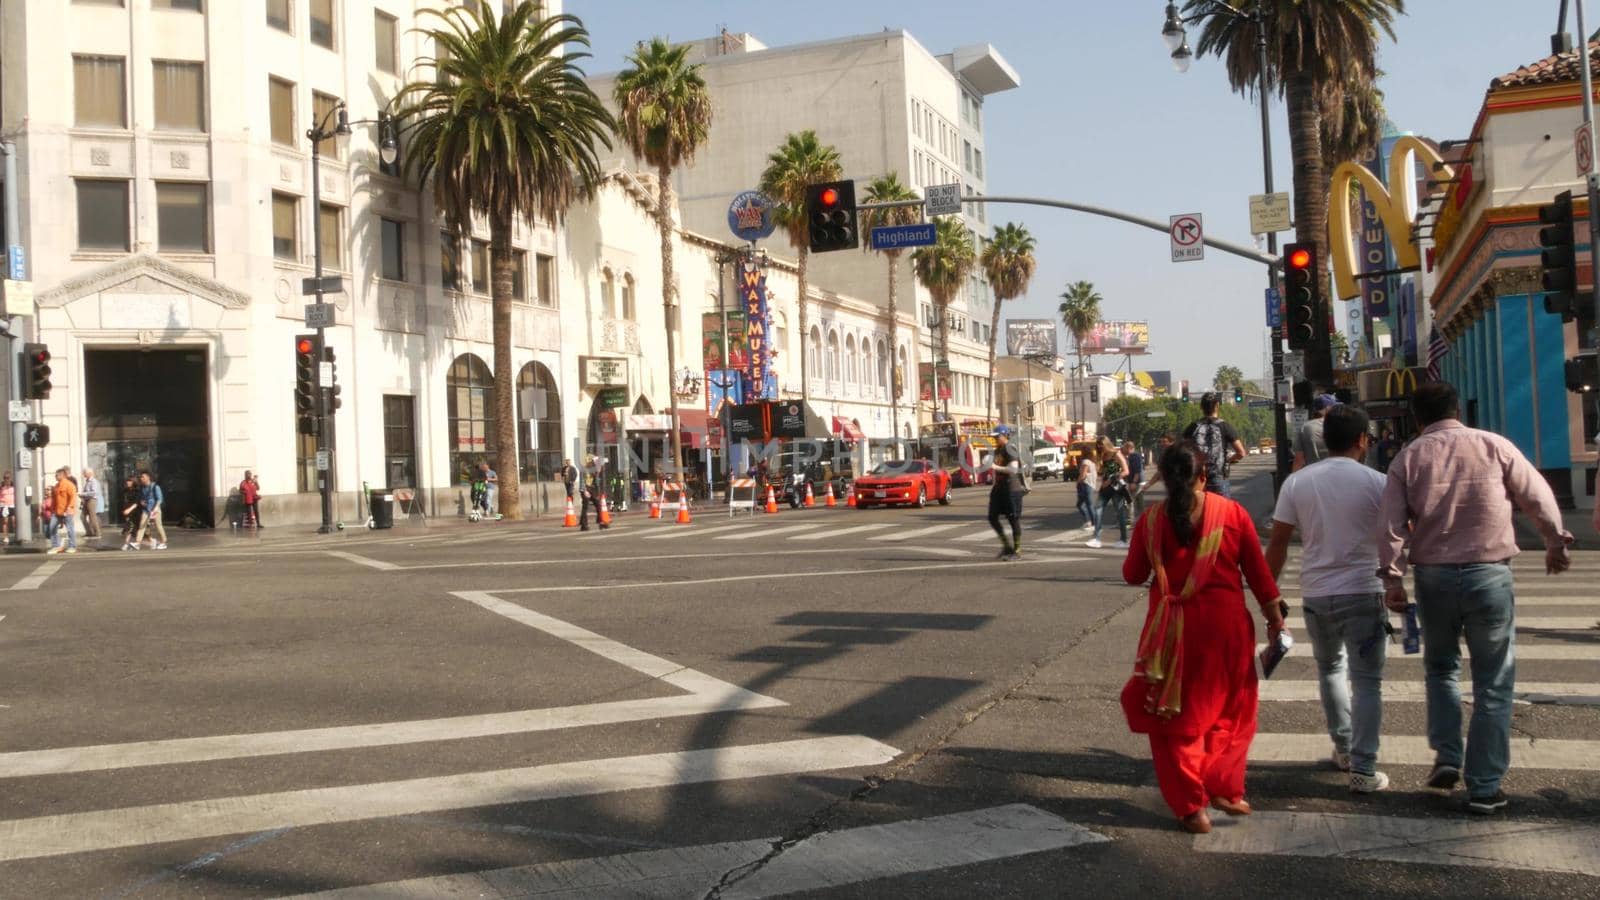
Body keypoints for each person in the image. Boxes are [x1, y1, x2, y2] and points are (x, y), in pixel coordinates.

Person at [1379, 381, 1571, 814]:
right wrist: (1554, 541)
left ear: (1417, 418)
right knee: (1494, 681)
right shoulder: (1493, 445)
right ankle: (1484, 786)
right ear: (1456, 410)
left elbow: (1390, 526)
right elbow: (1536, 494)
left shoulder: (1407, 458)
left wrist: (1393, 580)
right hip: (1489, 575)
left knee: (1441, 668)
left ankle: (1448, 756)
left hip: (1434, 580)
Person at [1121, 441, 1283, 835]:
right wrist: (1276, 621)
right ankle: (1225, 786)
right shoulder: (1232, 514)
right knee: (1232, 710)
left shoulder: (1151, 520)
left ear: (1164, 476)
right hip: (1225, 631)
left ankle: (1193, 807)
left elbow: (1131, 574)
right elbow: (1261, 576)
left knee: (1170, 718)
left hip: (1169, 637)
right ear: (1204, 475)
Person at [1265, 405, 1391, 793]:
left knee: (1331, 669)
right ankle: (1364, 768)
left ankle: (1345, 748)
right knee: (1367, 681)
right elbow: (1397, 537)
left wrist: (1269, 595)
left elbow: (1279, 543)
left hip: (1317, 593)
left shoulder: (1297, 483)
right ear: (1361, 440)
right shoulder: (1378, 482)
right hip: (1364, 590)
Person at [1182, 393, 1246, 497]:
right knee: (1221, 510)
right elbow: (1241, 453)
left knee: (1198, 510)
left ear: (1201, 407)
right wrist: (1228, 460)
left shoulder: (1193, 427)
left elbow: (1182, 451)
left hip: (1197, 478)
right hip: (1218, 477)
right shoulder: (1225, 426)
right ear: (1217, 405)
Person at [987, 424, 1026, 560]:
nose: (995, 439)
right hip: (999, 488)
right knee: (992, 517)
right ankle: (1006, 546)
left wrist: (994, 467)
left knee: (1013, 519)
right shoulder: (998, 450)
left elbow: (1013, 469)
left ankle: (1017, 550)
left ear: (1004, 436)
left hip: (1011, 489)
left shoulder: (1010, 448)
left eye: (997, 437)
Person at [1088, 438, 1131, 550]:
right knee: (1098, 510)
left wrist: (1111, 480)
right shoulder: (1102, 456)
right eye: (1098, 445)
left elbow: (1126, 471)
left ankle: (1123, 540)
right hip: (1105, 487)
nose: (1099, 447)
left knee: (1119, 513)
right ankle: (1096, 539)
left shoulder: (1116, 454)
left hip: (1116, 487)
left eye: (1101, 444)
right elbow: (1103, 472)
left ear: (1107, 443)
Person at [1292, 393, 1339, 472]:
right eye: (1334, 407)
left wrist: (1293, 480)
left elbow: (1299, 460)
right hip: (1337, 475)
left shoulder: (1305, 428)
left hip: (1312, 476)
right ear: (1328, 408)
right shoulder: (1339, 426)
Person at [46, 468, 79, 555]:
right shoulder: (56, 486)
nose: (55, 476)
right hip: (57, 512)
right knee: (52, 527)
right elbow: (54, 500)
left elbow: (73, 497)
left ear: (62, 475)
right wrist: (53, 510)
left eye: (57, 475)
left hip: (67, 511)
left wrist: (69, 507)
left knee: (69, 529)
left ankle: (72, 546)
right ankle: (56, 546)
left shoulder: (69, 485)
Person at [133, 471, 168, 550]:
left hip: (155, 510)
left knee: (158, 526)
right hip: (146, 510)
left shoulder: (155, 487)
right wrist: (142, 502)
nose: (141, 479)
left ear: (148, 477)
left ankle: (164, 542)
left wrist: (156, 508)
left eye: (143, 477)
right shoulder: (142, 488)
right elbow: (141, 498)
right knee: (142, 525)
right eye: (141, 477)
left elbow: (160, 499)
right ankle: (137, 543)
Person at [1076, 451, 1100, 533]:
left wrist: (1078, 482)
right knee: (1082, 505)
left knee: (1088, 505)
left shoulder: (1085, 462)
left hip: (1086, 485)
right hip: (1091, 485)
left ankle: (1093, 524)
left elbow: (1083, 475)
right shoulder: (1092, 463)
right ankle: (1089, 522)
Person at [120, 475, 144, 550]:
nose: (128, 482)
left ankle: (127, 544)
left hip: (135, 512)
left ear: (134, 482)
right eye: (127, 481)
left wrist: (129, 509)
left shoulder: (137, 491)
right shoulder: (125, 490)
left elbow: (136, 503)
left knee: (130, 528)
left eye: (130, 481)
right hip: (127, 511)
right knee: (132, 529)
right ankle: (149, 542)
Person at [80, 468, 102, 539]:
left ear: (89, 473)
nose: (83, 474)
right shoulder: (87, 481)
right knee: (82, 517)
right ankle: (89, 532)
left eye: (84, 473)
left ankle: (97, 533)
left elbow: (94, 492)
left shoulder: (93, 481)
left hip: (91, 500)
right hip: (86, 500)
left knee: (92, 517)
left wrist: (83, 494)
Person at [0, 470, 14, 545]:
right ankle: (6, 537)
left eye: (8, 478)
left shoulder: (14, 486)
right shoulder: (1, 487)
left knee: (14, 520)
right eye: (5, 478)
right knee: (5, 522)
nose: (6, 479)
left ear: (10, 478)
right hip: (4, 505)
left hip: (12, 505)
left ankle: (16, 535)